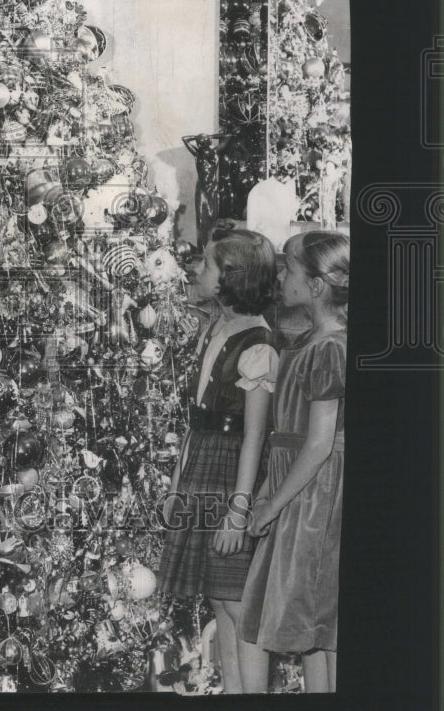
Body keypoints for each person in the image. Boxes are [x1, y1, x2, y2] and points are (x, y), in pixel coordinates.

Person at [158, 228, 278, 693]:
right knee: (218, 599)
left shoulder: (259, 345)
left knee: (238, 603)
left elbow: (253, 438)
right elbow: (197, 422)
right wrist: (175, 487)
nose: (196, 270)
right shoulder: (216, 327)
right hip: (202, 468)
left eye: (206, 265)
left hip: (233, 476)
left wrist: (239, 510)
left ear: (230, 278)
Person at [239, 231, 348, 693]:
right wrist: (268, 488)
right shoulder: (307, 342)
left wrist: (272, 505)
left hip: (315, 495)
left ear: (317, 286)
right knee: (312, 631)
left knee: (322, 621)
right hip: (296, 488)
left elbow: (319, 443)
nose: (282, 276)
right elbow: (286, 435)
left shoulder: (330, 349)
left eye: (289, 269)